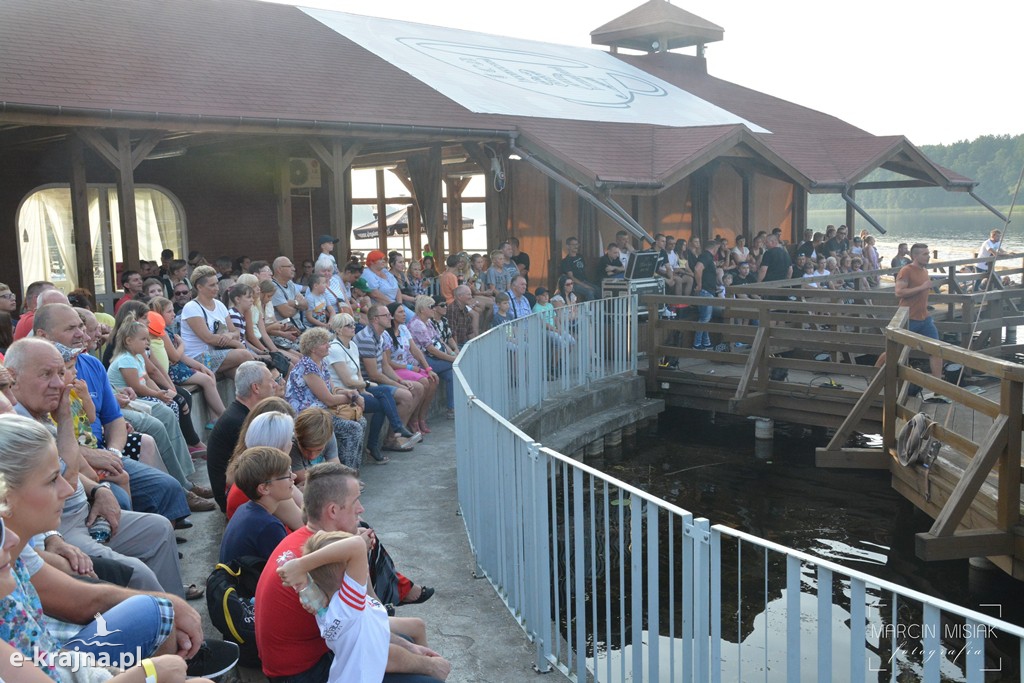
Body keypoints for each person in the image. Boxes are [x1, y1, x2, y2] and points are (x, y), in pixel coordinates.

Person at [0, 431, 228, 681]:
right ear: (6, 496)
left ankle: (184, 657)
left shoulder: (15, 554)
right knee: (153, 604)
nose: (67, 488)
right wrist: (149, 675)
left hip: (62, 657)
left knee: (157, 594)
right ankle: (185, 659)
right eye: (52, 479)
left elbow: (50, 654)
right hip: (77, 533)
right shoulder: (10, 555)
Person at [255, 462, 450, 682]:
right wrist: (431, 665)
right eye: (355, 501)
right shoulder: (326, 562)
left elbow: (369, 613)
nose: (361, 508)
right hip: (304, 673)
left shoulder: (309, 542)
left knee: (406, 639)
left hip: (303, 658)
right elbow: (371, 649)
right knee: (426, 678)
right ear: (333, 511)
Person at [326, 312, 418, 461]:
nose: (353, 327)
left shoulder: (353, 345)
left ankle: (387, 435)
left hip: (357, 389)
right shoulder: (335, 348)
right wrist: (367, 385)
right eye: (348, 325)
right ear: (338, 330)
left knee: (384, 394)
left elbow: (358, 373)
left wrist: (363, 389)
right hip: (344, 393)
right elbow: (347, 381)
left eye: (353, 324)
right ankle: (388, 434)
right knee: (383, 399)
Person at [285, 328, 366, 470]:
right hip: (308, 417)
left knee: (362, 422)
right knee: (353, 429)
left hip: (321, 412)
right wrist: (354, 399)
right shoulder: (308, 367)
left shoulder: (321, 363)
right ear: (313, 348)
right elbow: (329, 399)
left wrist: (349, 392)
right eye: (324, 343)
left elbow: (332, 389)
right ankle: (345, 475)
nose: (329, 345)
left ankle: (352, 472)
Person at [207, 361, 279, 512]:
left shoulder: (241, 414)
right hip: (231, 499)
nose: (275, 384)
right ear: (256, 388)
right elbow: (261, 468)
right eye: (270, 380)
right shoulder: (239, 422)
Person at [356, 303, 427, 440]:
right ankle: (393, 439)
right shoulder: (366, 338)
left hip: (376, 381)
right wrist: (400, 385)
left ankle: (398, 434)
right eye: (386, 315)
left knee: (417, 387)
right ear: (375, 319)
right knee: (406, 395)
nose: (390, 317)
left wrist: (401, 381)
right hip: (368, 384)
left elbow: (385, 366)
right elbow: (374, 375)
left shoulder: (380, 336)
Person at [219, 446, 294, 564]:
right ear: (264, 488)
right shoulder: (268, 527)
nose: (293, 477)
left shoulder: (246, 509)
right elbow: (287, 570)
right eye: (287, 475)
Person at [181, 267, 256, 378]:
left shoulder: (219, 304)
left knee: (244, 375)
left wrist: (229, 335)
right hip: (198, 358)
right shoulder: (191, 307)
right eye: (212, 285)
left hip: (219, 353)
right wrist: (237, 343)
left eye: (217, 284)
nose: (217, 288)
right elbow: (208, 338)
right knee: (245, 354)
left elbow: (235, 331)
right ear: (199, 287)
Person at [387, 301, 440, 433]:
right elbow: (387, 362)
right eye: (400, 312)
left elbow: (415, 349)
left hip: (406, 367)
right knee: (423, 383)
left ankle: (422, 417)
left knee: (434, 379)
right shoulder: (386, 333)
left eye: (404, 311)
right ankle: (413, 420)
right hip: (395, 369)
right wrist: (410, 368)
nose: (404, 314)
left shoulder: (404, 329)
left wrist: (428, 368)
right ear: (392, 315)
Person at [895, 243, 944, 382]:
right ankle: (873, 374)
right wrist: (922, 287)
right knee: (895, 352)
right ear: (915, 256)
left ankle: (938, 386)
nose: (928, 257)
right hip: (909, 318)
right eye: (925, 254)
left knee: (936, 350)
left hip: (925, 318)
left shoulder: (925, 271)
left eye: (928, 253)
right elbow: (899, 292)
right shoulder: (906, 270)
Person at [692, 239, 719, 350]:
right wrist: (699, 285)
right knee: (704, 319)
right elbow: (697, 269)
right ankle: (697, 344)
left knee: (706, 318)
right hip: (705, 291)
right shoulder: (706, 256)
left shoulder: (707, 257)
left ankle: (706, 342)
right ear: (714, 248)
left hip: (709, 290)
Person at [559, 236, 598, 301]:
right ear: (568, 246)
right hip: (573, 284)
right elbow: (571, 277)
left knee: (599, 290)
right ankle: (591, 310)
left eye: (577, 244)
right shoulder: (565, 261)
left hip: (584, 281)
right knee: (590, 292)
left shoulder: (580, 256)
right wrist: (585, 286)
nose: (576, 246)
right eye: (573, 245)